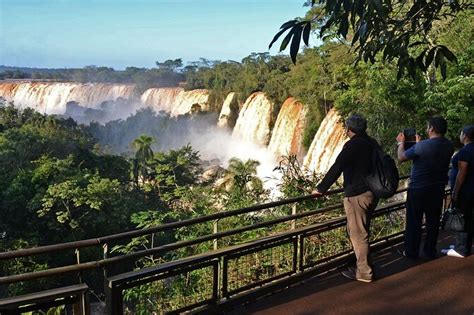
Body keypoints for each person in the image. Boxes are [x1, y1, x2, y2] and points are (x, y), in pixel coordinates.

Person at [312, 113, 379, 283]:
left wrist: (321, 188)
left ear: (349, 129)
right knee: (363, 231)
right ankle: (364, 266)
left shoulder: (352, 145)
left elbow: (338, 167)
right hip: (373, 193)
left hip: (357, 194)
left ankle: (364, 272)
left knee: (358, 235)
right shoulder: (373, 143)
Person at [396, 116, 454, 258]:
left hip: (418, 189)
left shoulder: (421, 146)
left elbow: (401, 158)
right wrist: (419, 144)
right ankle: (429, 251)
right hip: (437, 188)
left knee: (414, 222)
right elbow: (430, 152)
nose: (427, 129)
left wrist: (400, 143)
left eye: (428, 126)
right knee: (433, 221)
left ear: (432, 128)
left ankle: (411, 252)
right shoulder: (449, 145)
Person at [442, 125, 474, 258]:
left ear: (465, 136)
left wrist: (455, 192)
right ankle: (464, 244)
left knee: (463, 217)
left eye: (461, 134)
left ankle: (461, 249)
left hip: (466, 190)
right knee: (470, 217)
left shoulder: (465, 151)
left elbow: (462, 173)